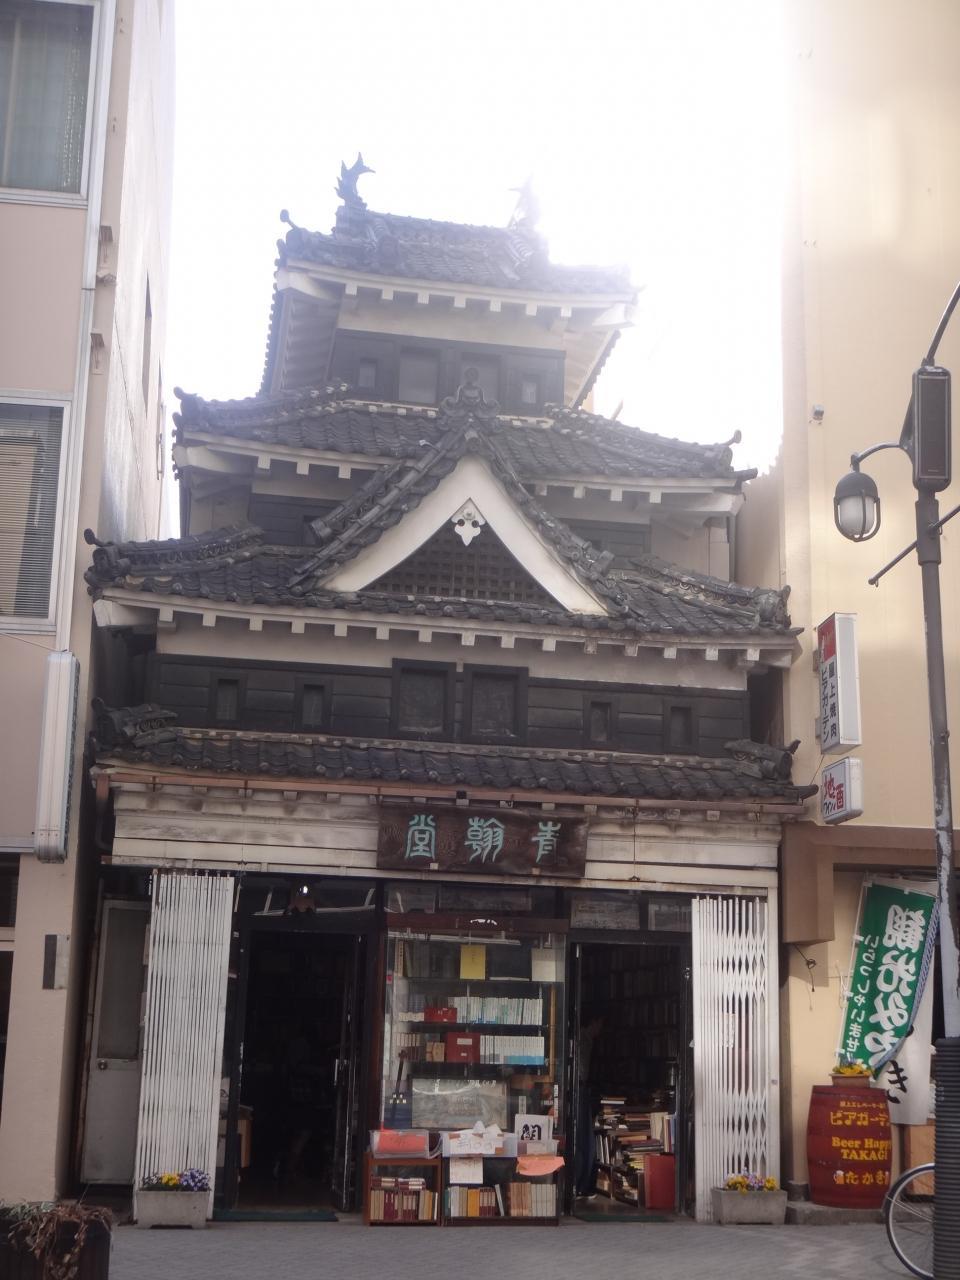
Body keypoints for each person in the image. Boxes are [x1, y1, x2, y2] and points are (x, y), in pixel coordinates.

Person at [575, 1016, 603, 1197]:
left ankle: (579, 1184)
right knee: (584, 1138)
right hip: (579, 1089)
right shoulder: (584, 1039)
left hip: (580, 1088)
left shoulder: (585, 1039)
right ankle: (580, 1184)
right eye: (600, 1024)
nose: (601, 1030)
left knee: (583, 1138)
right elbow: (581, 1071)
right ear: (594, 1022)